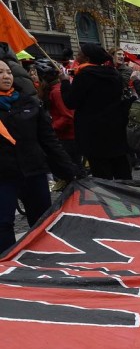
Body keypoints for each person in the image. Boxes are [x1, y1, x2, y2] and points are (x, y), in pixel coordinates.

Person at [0, 60, 85, 251]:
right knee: (3, 223)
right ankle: (8, 265)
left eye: (8, 72)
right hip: (4, 176)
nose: (6, 76)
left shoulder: (29, 102)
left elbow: (49, 141)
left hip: (33, 170)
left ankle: (44, 258)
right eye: (0, 72)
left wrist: (70, 170)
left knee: (42, 221)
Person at [59, 43, 130, 179]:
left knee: (102, 175)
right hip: (116, 130)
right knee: (122, 172)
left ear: (86, 58)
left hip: (93, 134)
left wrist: (65, 82)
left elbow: (70, 102)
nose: (76, 56)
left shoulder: (84, 75)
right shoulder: (114, 74)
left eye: (79, 53)